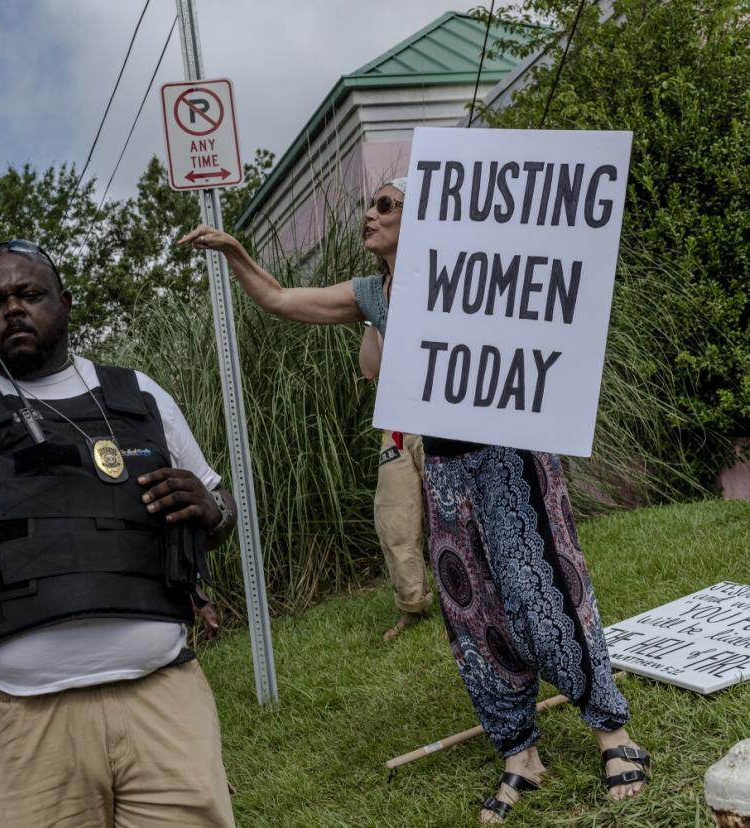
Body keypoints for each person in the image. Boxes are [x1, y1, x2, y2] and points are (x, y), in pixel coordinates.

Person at [181, 178, 648, 823]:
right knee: (473, 609)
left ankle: (612, 733)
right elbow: (282, 298)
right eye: (368, 205)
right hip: (446, 467)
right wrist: (235, 252)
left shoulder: (468, 271)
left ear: (422, 216)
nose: (368, 215)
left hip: (512, 450)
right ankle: (520, 751)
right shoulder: (375, 294)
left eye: (385, 205)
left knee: (540, 591)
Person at [0, 239, 238, 827]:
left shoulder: (141, 396)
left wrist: (215, 510)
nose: (13, 309)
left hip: (164, 703)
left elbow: (216, 505)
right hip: (19, 724)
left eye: (30, 294)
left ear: (66, 303)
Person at [359, 324, 433, 641]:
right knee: (393, 516)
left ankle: (481, 595)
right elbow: (369, 368)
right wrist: (371, 320)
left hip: (438, 414)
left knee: (456, 509)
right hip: (398, 427)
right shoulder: (378, 296)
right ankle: (413, 604)